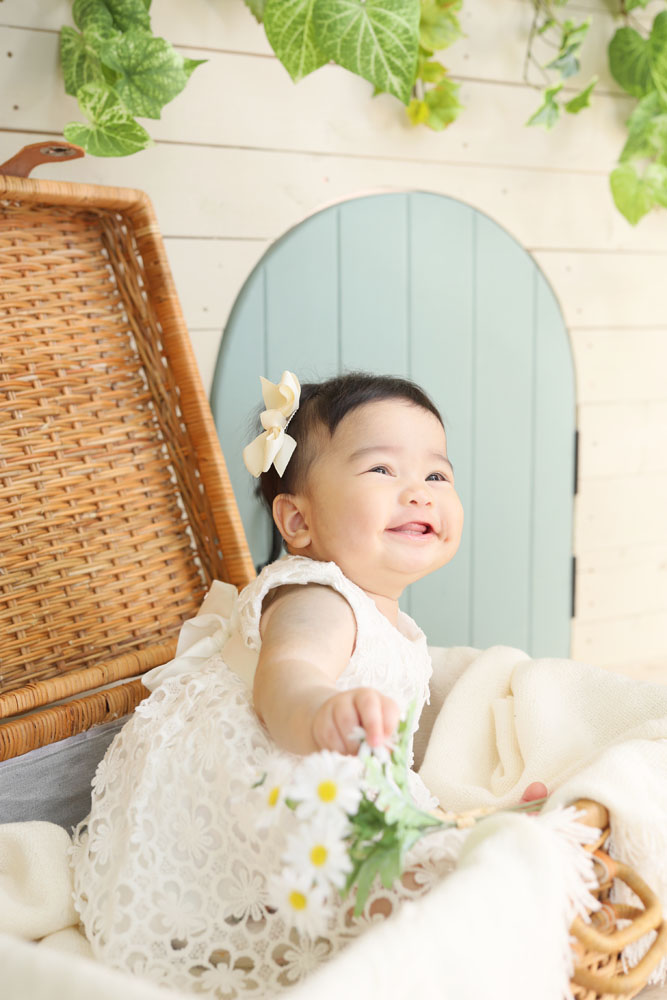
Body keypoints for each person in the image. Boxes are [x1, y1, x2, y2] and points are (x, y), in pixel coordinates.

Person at [71, 370, 543, 998]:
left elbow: (379, 773)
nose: (419, 493)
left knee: (402, 843)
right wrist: (321, 711)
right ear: (297, 520)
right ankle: (479, 859)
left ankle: (476, 838)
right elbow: (285, 680)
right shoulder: (316, 596)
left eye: (437, 475)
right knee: (406, 884)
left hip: (314, 781)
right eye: (382, 470)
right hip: (253, 784)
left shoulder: (380, 613)